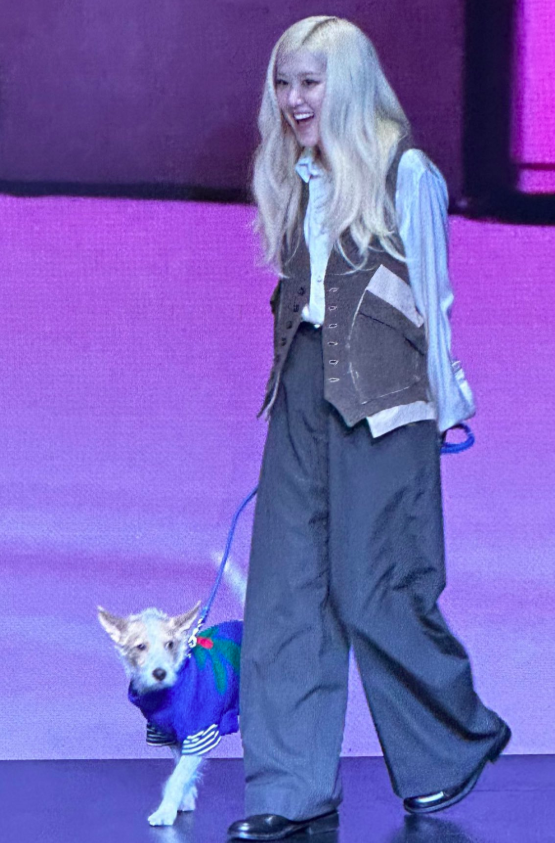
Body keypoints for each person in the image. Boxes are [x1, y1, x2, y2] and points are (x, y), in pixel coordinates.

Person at [228, 16, 510, 842]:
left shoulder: (405, 171)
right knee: (285, 590)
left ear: (346, 82)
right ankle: (289, 785)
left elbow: (433, 295)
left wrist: (444, 403)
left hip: (387, 399)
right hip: (303, 388)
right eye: (283, 83)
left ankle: (450, 744)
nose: (293, 99)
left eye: (310, 82)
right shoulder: (297, 173)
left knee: (375, 584)